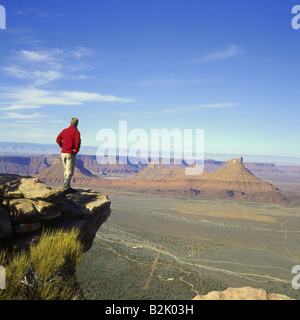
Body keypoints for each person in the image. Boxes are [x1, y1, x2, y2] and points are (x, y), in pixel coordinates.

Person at [56, 118, 81, 194]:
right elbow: (78, 142)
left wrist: (63, 146)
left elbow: (58, 139)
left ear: (70, 123)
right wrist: (76, 150)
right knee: (69, 171)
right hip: (70, 153)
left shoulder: (65, 130)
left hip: (63, 153)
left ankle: (67, 186)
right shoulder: (76, 132)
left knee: (66, 170)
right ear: (77, 124)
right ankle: (66, 188)